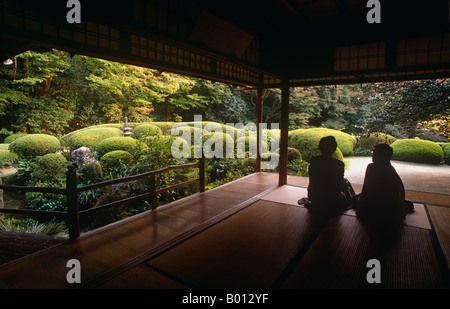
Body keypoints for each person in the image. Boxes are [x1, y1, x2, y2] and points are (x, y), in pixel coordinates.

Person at [355, 143, 413, 227]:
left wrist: (360, 207)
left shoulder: (372, 167)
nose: (373, 156)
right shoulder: (391, 169)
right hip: (394, 215)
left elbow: (366, 191)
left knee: (355, 199)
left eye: (374, 153)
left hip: (374, 213)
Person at [298, 136, 355, 217]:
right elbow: (339, 185)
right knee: (345, 182)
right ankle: (354, 200)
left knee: (344, 182)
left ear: (320, 147)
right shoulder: (338, 164)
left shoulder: (314, 161)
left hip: (314, 196)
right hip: (332, 199)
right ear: (335, 148)